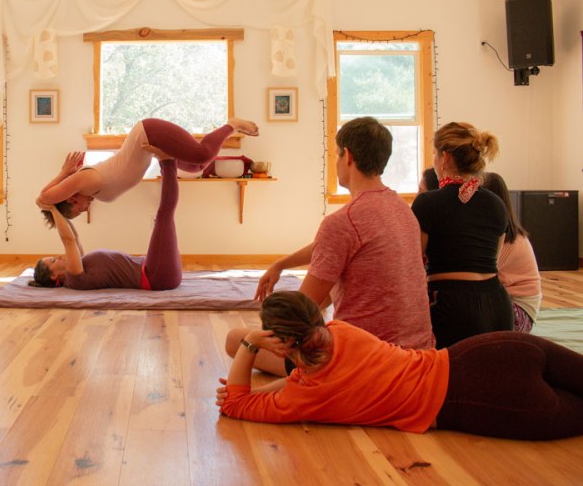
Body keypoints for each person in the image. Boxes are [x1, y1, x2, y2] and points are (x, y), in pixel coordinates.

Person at [216, 291, 583, 441]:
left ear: (280, 343)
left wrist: (251, 344)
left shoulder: (306, 397)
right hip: (497, 349)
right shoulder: (341, 330)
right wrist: (265, 383)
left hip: (486, 401)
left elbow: (235, 404)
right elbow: (303, 374)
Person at [226, 117, 433, 375]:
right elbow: (332, 248)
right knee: (334, 285)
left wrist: (264, 334)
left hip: (367, 364)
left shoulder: (343, 221)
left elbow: (299, 310)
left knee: (236, 339)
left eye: (336, 154)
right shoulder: (403, 211)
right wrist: (282, 264)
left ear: (348, 156)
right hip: (419, 356)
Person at [36, 117, 259, 223]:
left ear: (71, 199)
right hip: (151, 146)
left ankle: (233, 125)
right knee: (197, 166)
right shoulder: (91, 189)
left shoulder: (84, 181)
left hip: (149, 133)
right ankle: (229, 128)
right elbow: (45, 200)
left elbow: (42, 199)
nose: (85, 210)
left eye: (78, 210)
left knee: (202, 154)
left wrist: (63, 173)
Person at [412, 122, 513, 348]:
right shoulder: (496, 203)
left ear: (445, 157)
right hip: (497, 303)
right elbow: (492, 260)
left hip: (453, 306)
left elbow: (413, 263)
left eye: (435, 154)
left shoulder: (427, 203)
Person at [31, 147, 182, 291]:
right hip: (155, 276)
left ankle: (168, 161)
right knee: (164, 214)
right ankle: (167, 161)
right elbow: (68, 240)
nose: (58, 256)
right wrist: (51, 208)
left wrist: (54, 205)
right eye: (53, 261)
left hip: (155, 270)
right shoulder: (74, 278)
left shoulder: (80, 265)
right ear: (53, 276)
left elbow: (74, 238)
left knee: (165, 216)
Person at [482, 172, 542, 332]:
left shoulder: (509, 240)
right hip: (505, 301)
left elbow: (480, 274)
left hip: (519, 309)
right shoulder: (495, 233)